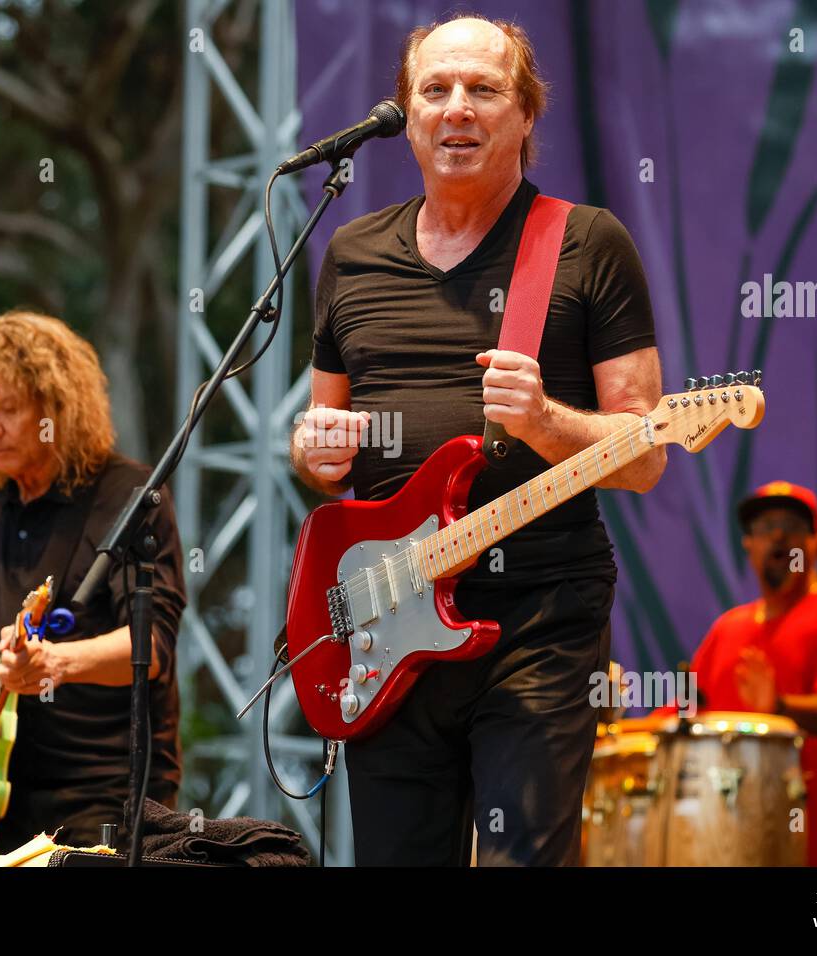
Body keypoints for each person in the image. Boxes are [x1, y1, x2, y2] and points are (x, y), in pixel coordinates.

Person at [290, 14, 664, 865]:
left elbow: (645, 454)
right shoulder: (351, 253)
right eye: (436, 89)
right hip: (389, 616)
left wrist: (546, 421)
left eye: (484, 90)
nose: (457, 107)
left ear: (526, 114)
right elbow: (319, 443)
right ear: (406, 114)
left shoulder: (585, 243)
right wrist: (312, 452)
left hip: (540, 615)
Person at [0, 311, 186, 851]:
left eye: (8, 408)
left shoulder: (128, 497)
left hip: (106, 799)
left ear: (56, 407)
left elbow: (152, 645)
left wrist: (55, 663)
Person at [686, 481, 817, 866]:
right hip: (726, 844)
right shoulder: (728, 629)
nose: (777, 536)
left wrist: (779, 707)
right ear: (748, 544)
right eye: (764, 527)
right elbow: (686, 710)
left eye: (792, 526)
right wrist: (616, 724)